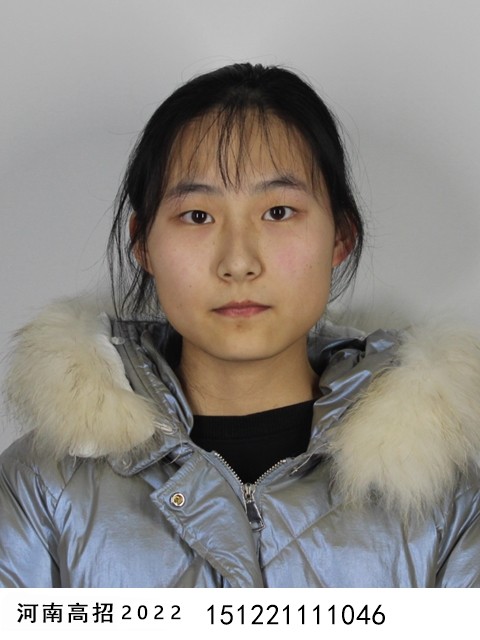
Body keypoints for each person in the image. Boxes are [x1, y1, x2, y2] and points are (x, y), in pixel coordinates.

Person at [1, 62, 480, 588]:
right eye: (198, 216)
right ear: (143, 244)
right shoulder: (42, 487)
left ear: (340, 237)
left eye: (278, 212)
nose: (238, 262)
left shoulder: (446, 494)